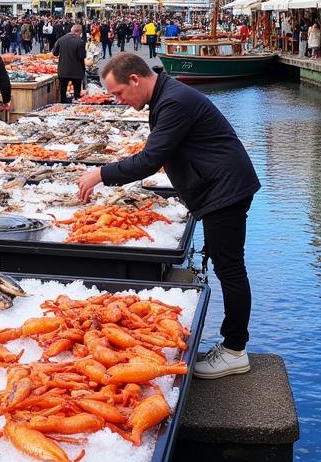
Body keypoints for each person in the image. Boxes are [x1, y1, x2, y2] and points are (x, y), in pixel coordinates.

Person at [78, 53, 259, 379]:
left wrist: (101, 174)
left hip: (225, 191)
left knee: (230, 269)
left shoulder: (174, 101)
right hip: (220, 187)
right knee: (227, 266)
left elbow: (150, 160)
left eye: (119, 93)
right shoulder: (167, 95)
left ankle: (235, 350)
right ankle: (233, 345)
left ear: (135, 79)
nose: (119, 101)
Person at [53, 22, 87, 102]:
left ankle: (62, 106)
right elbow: (81, 56)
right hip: (77, 71)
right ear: (77, 31)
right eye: (80, 33)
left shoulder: (60, 39)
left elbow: (55, 53)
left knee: (63, 92)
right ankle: (75, 108)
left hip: (63, 71)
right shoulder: (80, 42)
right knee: (77, 94)